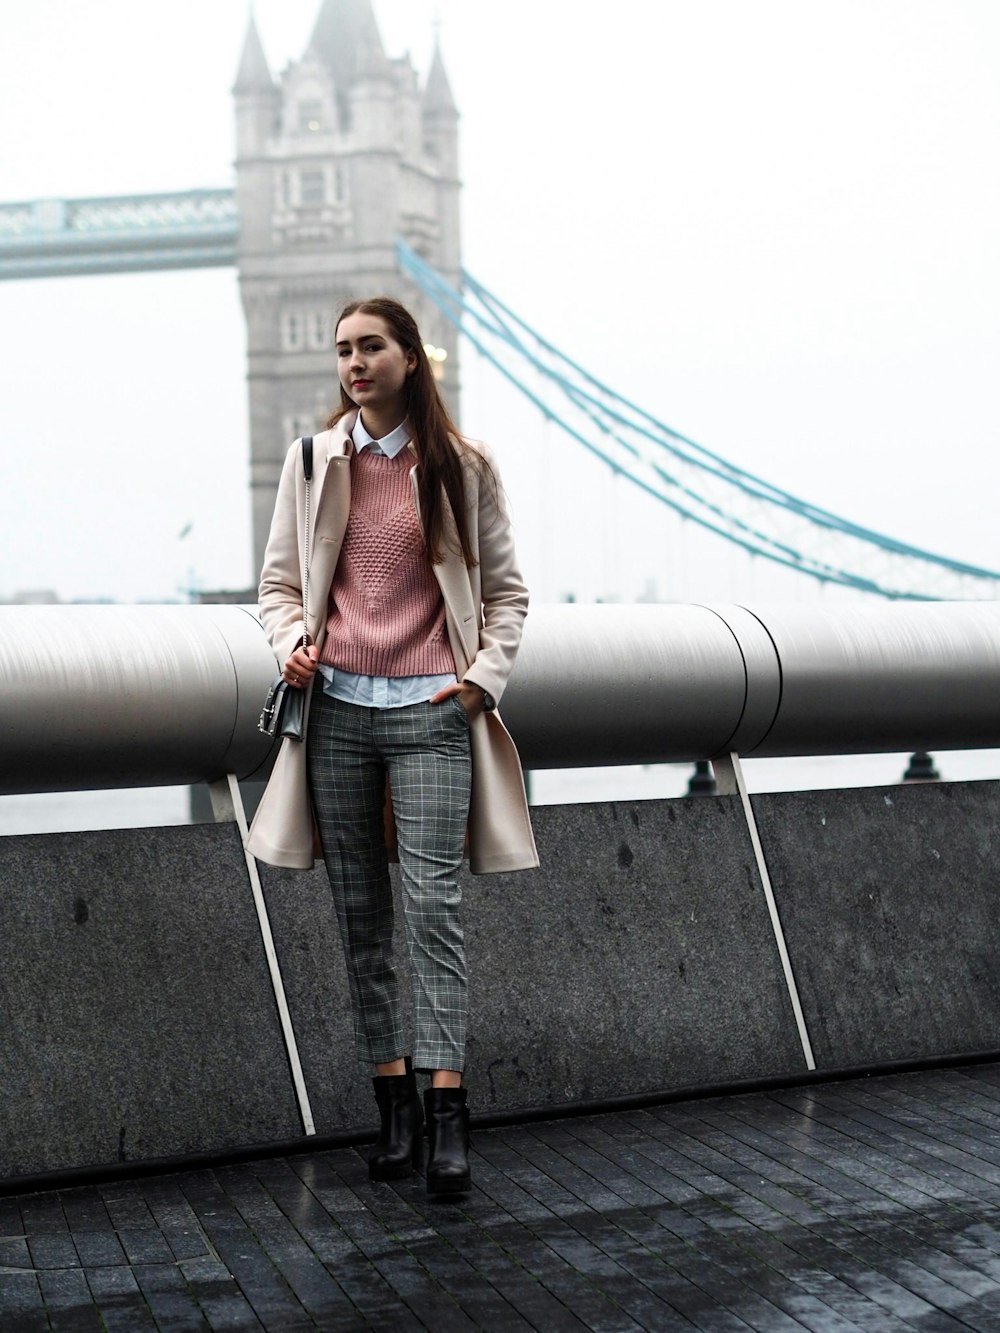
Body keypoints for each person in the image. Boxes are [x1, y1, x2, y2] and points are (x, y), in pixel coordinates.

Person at [246, 296, 538, 1196]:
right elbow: (278, 586)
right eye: (343, 349)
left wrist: (481, 680)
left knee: (435, 913)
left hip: (431, 713)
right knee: (361, 920)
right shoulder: (311, 460)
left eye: (372, 345)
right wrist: (290, 640)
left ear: (412, 357)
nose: (354, 362)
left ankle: (448, 1111)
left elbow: (510, 595)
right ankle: (394, 1109)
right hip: (334, 712)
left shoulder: (463, 465)